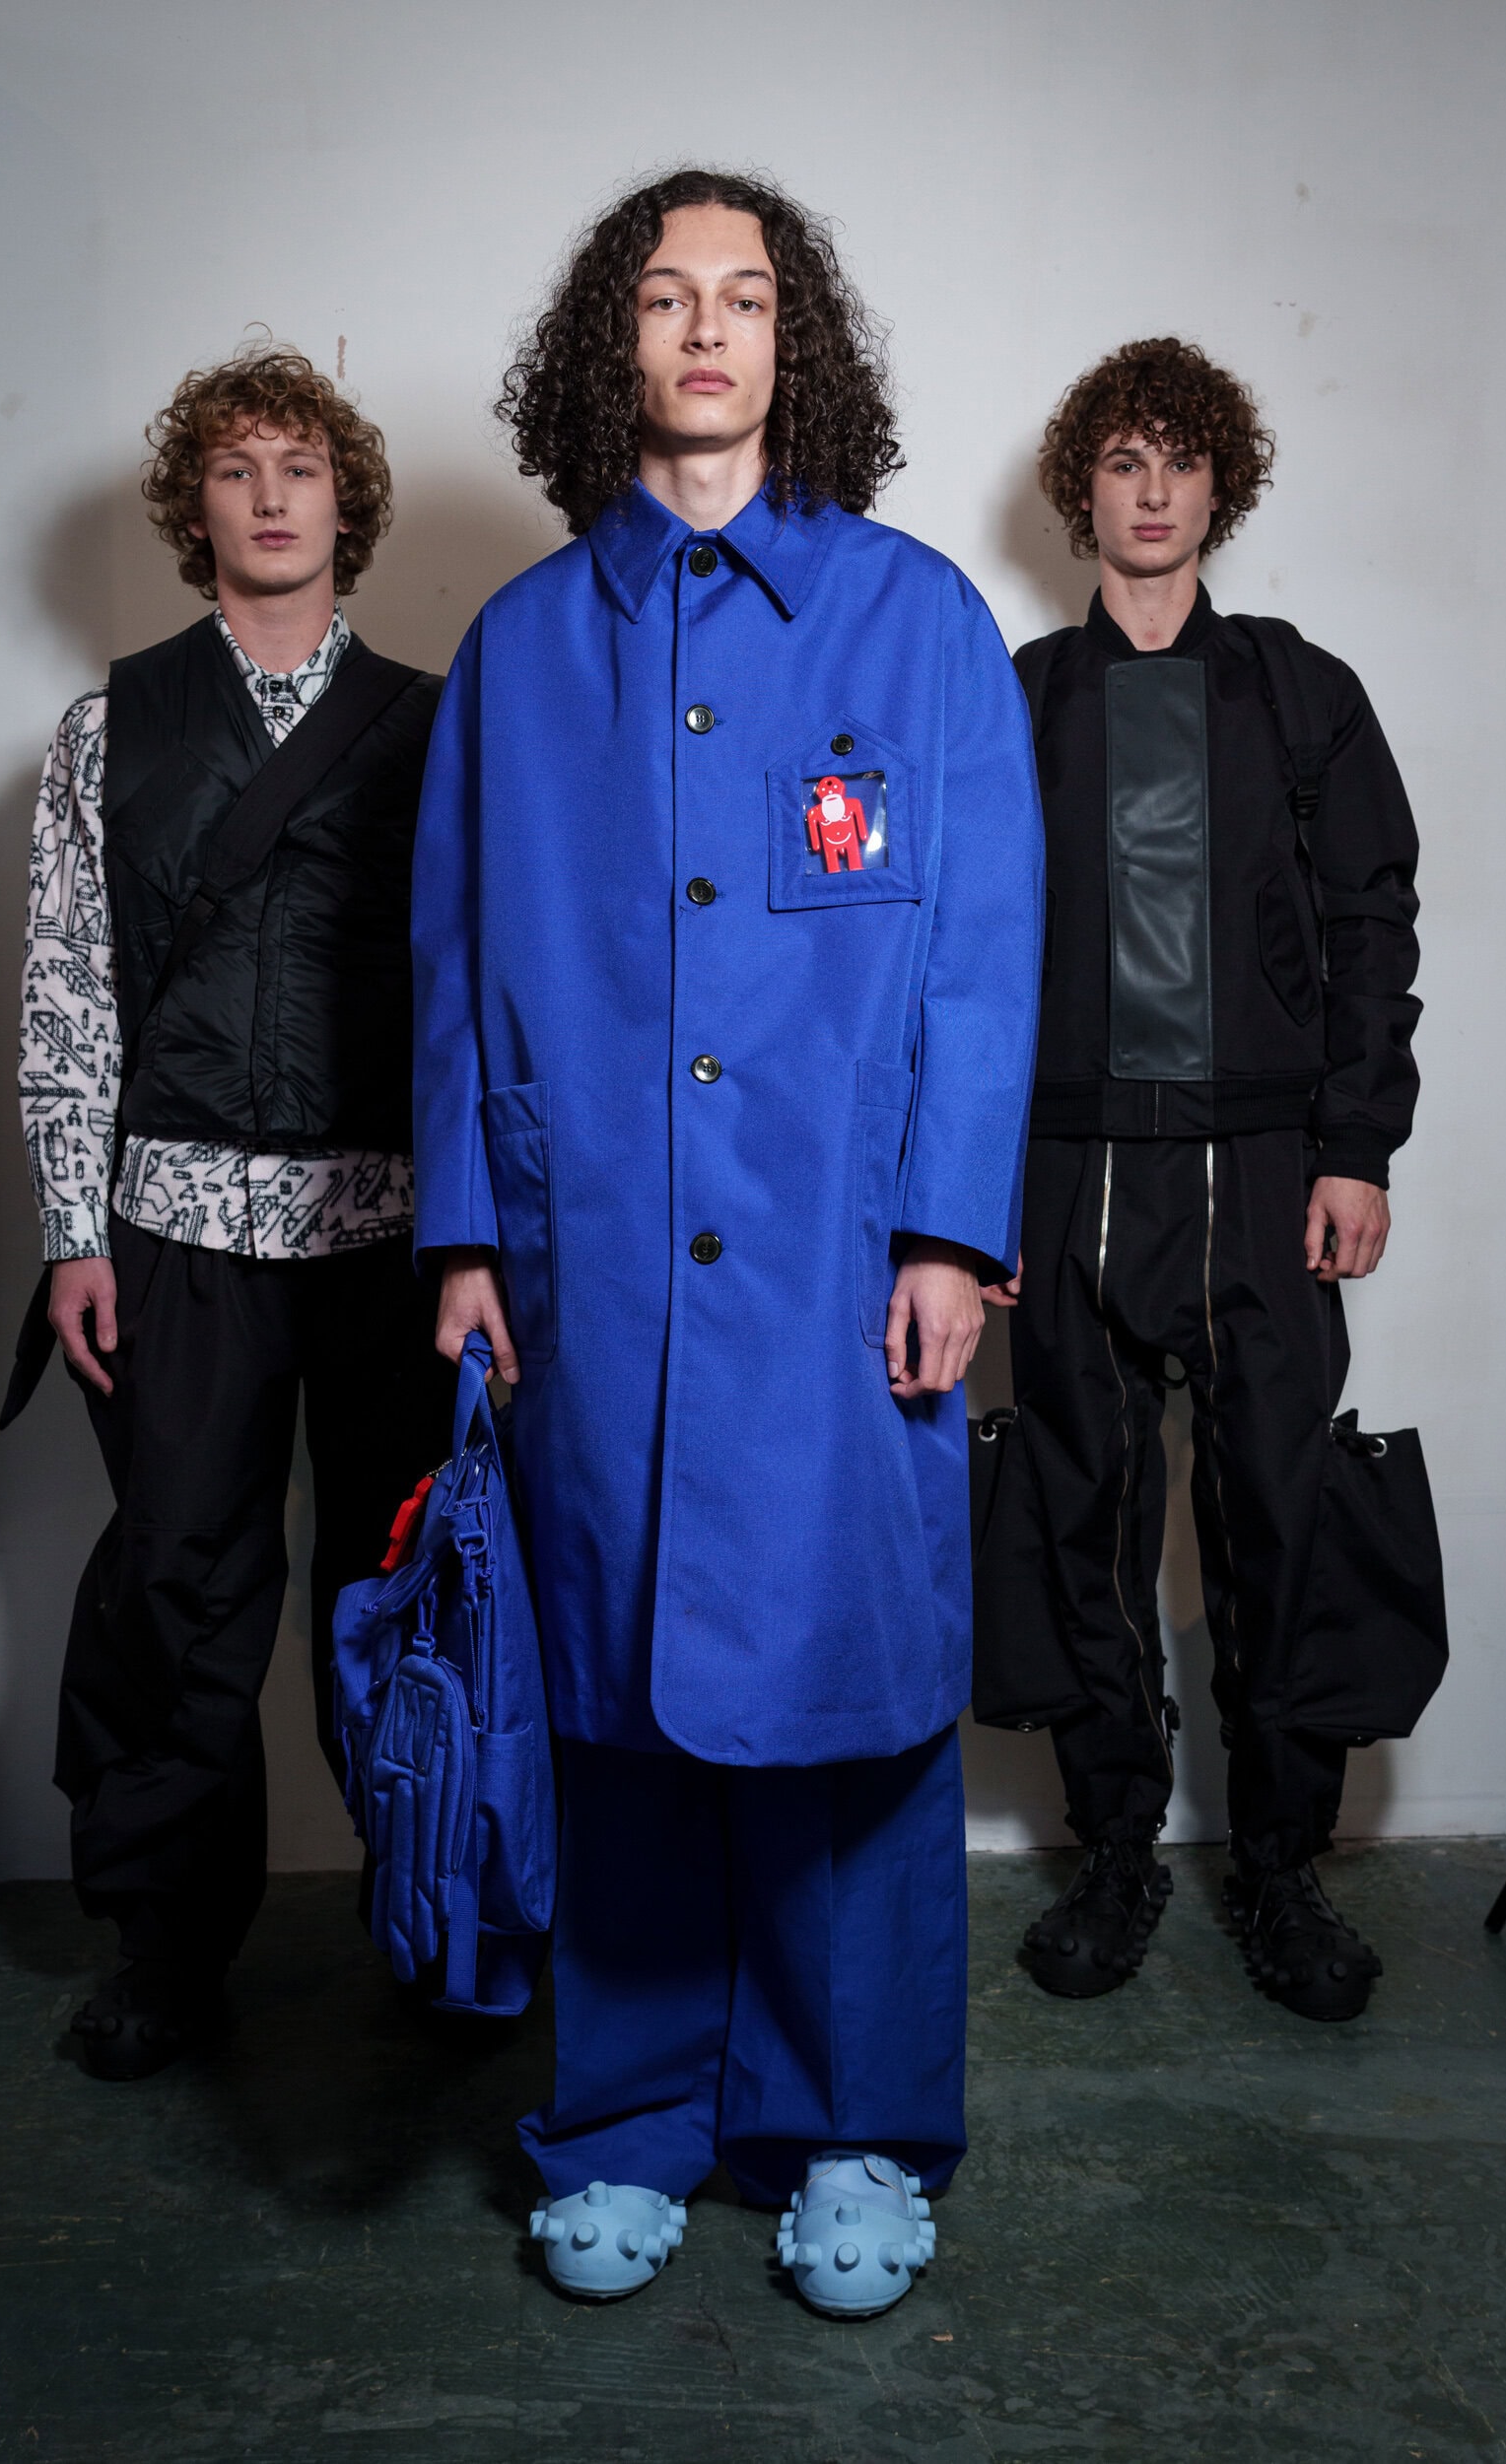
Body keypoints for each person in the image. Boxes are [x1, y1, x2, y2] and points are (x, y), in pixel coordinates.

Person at [412, 169, 1043, 2314]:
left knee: (849, 1697)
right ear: (615, 340)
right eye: (668, 296)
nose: (706, 329)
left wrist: (950, 1229)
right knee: (610, 1697)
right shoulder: (518, 648)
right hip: (586, 1259)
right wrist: (468, 1236)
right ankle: (622, 2124)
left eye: (746, 297)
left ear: (797, 343)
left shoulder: (916, 622)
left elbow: (985, 955)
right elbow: (452, 961)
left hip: (839, 1267)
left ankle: (854, 2128)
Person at [12, 344, 449, 2079]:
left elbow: (489, 991)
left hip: (394, 1236)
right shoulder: (107, 729)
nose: (271, 496)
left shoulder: (439, 728)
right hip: (177, 1230)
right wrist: (72, 1229)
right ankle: (166, 1951)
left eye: (301, 466)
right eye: (235, 469)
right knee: (178, 1598)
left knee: (405, 1589)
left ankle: (436, 1919)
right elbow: (65, 991)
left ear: (349, 502)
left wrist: (498, 1242)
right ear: (193, 510)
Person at [973, 338, 1421, 2022]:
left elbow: (1375, 929)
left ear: (1220, 484)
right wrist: (965, 1200)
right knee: (1078, 1520)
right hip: (1070, 1168)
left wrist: (1358, 1147)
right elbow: (955, 959)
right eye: (1122, 460)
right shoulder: (1016, 699)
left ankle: (1284, 1866)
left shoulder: (1303, 694)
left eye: (1180, 459)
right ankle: (1112, 1851)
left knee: (1282, 1523)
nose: (1151, 490)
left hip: (1265, 1167)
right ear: (1079, 488)